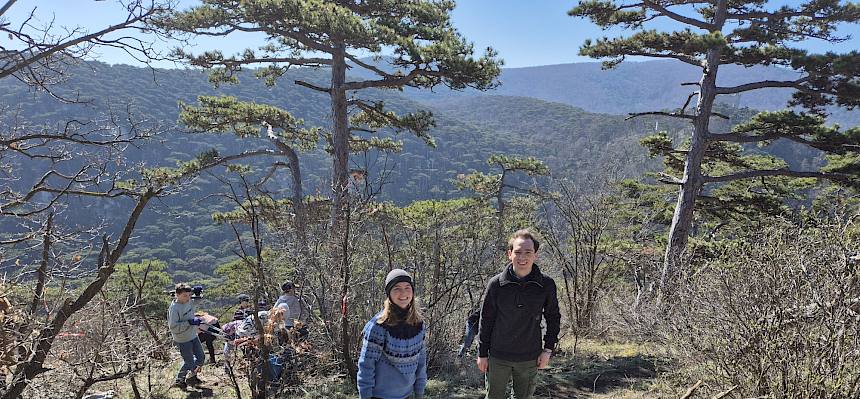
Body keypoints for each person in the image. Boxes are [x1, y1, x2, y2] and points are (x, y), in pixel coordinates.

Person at [477, 229, 561, 399]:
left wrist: (548, 350)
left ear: (535, 254)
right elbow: (486, 320)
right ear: (510, 254)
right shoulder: (496, 284)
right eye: (518, 252)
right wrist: (482, 353)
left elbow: (553, 317)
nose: (522, 257)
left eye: (528, 252)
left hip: (530, 356)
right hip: (498, 355)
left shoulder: (545, 284)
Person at [357, 269, 427, 399]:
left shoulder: (419, 324)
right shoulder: (377, 326)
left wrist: (420, 393)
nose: (403, 293)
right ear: (389, 293)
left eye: (407, 287)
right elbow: (366, 367)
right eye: (397, 288)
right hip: (380, 396)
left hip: (407, 395)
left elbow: (421, 362)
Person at [167, 283, 206, 389]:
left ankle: (189, 377)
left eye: (189, 295)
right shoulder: (174, 309)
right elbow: (173, 327)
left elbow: (197, 301)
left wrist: (198, 294)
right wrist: (189, 322)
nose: (188, 298)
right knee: (189, 362)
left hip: (193, 335)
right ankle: (182, 380)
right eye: (185, 296)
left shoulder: (188, 301)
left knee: (201, 358)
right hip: (183, 339)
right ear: (177, 295)